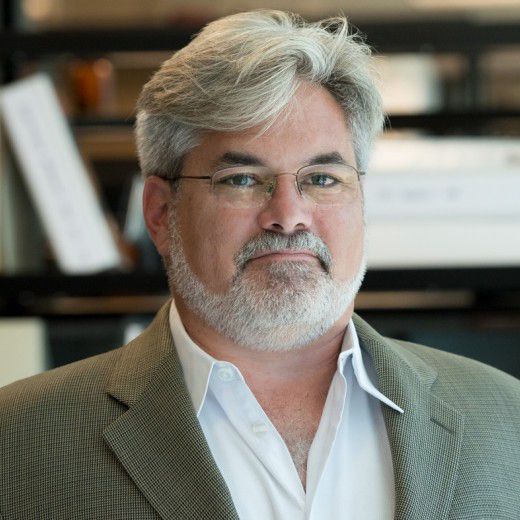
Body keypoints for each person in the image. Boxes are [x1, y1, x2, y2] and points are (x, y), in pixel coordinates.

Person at [0, 10, 519, 520]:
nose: (289, 216)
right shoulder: (20, 443)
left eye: (322, 178)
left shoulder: (505, 419)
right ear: (161, 214)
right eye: (243, 179)